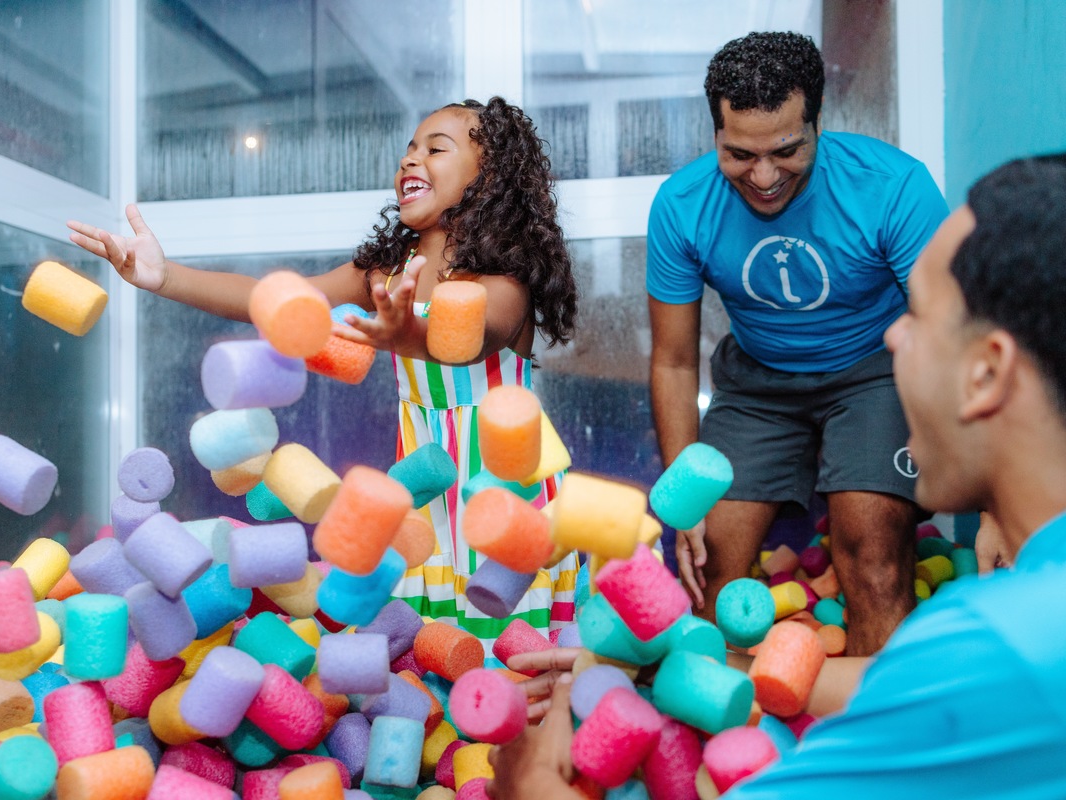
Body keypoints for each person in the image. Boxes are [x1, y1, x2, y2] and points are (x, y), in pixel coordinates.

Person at [492, 154, 1066, 798]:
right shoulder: (1010, 632)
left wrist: (533, 778)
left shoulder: (1001, 642)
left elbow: (956, 673)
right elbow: (893, 682)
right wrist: (669, 669)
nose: (894, 338)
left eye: (920, 316)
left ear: (987, 372)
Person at [67, 97, 580, 656]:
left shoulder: (506, 277)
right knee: (431, 651)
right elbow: (278, 300)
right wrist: (165, 277)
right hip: (423, 486)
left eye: (436, 148)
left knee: (508, 650)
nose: (412, 160)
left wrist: (400, 336)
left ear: (491, 177)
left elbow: (474, 340)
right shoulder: (386, 271)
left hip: (503, 486)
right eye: (409, 148)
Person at [646, 31, 949, 655]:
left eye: (786, 151)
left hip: (877, 374)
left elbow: (957, 338)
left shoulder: (893, 188)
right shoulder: (681, 206)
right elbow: (674, 363)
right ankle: (722, 744)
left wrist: (996, 498)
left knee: (871, 557)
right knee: (706, 567)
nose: (762, 177)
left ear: (817, 123)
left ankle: (873, 740)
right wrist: (683, 502)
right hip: (757, 385)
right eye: (738, 155)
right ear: (716, 136)